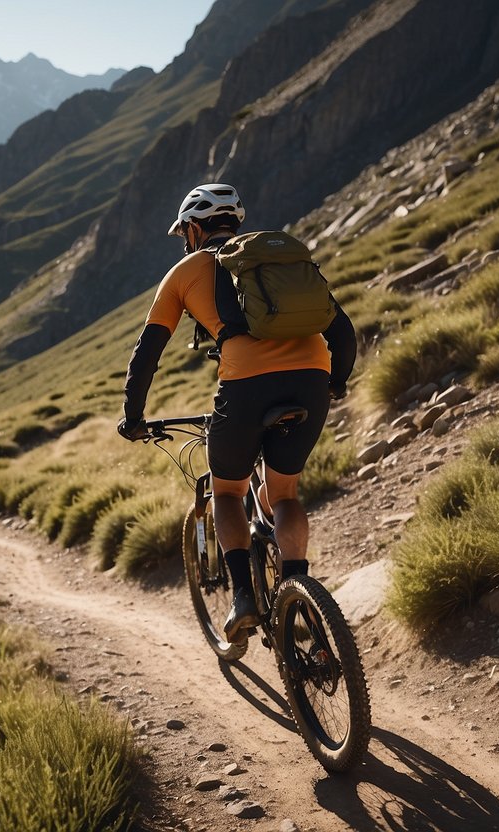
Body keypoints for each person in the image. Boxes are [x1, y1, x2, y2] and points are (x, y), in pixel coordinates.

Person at [117, 183, 356, 643]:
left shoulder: (186, 270)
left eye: (183, 231)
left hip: (246, 383)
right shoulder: (280, 261)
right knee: (284, 495)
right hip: (310, 378)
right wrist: (333, 383)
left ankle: (244, 598)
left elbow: (147, 351)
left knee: (227, 492)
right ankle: (297, 592)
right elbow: (342, 332)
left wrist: (133, 415)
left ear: (193, 227)